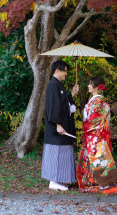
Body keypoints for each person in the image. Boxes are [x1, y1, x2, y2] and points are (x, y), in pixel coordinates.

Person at [76, 76, 117, 194]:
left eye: (90, 84)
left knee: (96, 158)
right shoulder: (98, 101)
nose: (88, 86)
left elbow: (92, 121)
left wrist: (85, 120)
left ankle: (98, 181)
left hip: (94, 136)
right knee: (100, 159)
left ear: (96, 87)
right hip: (99, 135)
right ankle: (99, 180)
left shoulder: (97, 101)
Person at [42, 59, 79, 191]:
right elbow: (53, 106)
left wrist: (72, 94)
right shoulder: (53, 85)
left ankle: (59, 180)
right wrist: (57, 124)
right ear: (57, 70)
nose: (66, 74)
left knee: (62, 153)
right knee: (55, 153)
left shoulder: (58, 85)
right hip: (57, 128)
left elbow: (63, 103)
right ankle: (53, 181)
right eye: (65, 71)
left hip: (63, 126)